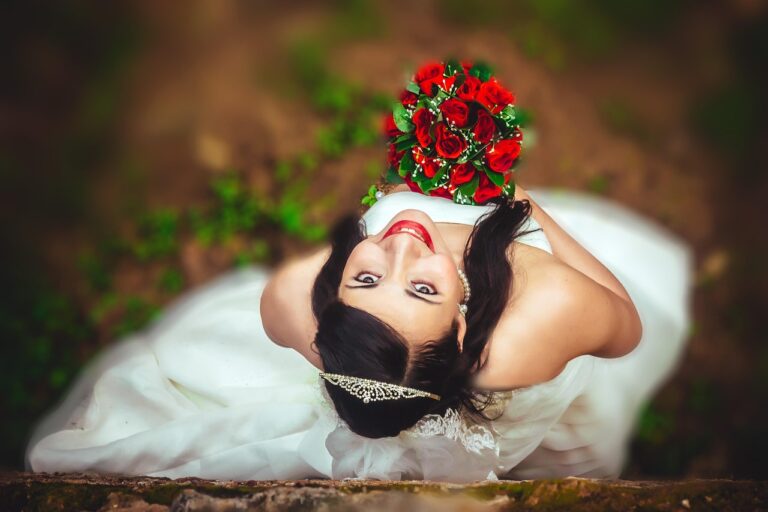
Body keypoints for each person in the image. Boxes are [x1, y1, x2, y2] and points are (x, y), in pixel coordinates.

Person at [25, 180, 693, 482]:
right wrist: (529, 216)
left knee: (396, 213)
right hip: (540, 401)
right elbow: (624, 324)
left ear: (331, 319)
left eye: (365, 282)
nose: (399, 250)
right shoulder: (533, 316)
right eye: (424, 288)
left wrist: (416, 259)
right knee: (577, 457)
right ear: (463, 329)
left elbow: (369, 305)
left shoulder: (296, 300)